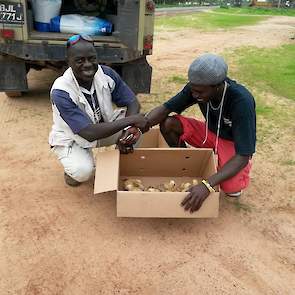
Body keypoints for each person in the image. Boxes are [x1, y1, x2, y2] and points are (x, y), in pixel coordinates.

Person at [122, 53, 256, 213]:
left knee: (231, 188)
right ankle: (189, 165)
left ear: (218, 85)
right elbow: (166, 108)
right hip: (209, 133)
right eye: (193, 90)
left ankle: (222, 168)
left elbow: (243, 154)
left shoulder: (241, 101)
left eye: (200, 92)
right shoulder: (197, 87)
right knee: (169, 123)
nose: (194, 95)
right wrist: (141, 126)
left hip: (230, 142)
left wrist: (207, 185)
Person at [49, 34, 146, 186]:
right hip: (75, 138)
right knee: (82, 171)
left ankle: (120, 162)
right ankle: (73, 167)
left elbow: (132, 102)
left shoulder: (106, 73)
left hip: (103, 128)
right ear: (69, 62)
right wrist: (131, 121)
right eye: (80, 60)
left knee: (139, 131)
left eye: (92, 58)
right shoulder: (61, 90)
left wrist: (128, 130)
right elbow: (88, 133)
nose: (87, 64)